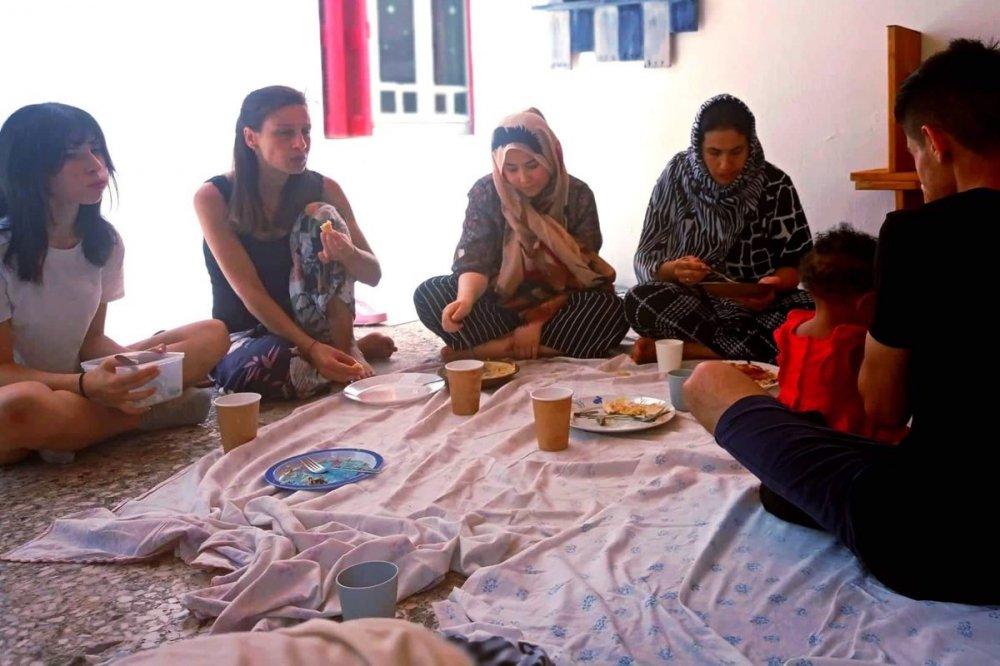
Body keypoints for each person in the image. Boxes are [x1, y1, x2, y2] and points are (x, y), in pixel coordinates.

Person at [684, 38, 1000, 605]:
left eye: (915, 155)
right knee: (798, 482)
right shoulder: (679, 183)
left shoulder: (916, 236)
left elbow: (882, 407)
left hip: (936, 542)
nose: (920, 172)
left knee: (708, 384)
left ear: (934, 141)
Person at [0, 103, 230, 466]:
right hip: (27, 391)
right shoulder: (4, 250)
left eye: (96, 148)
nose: (95, 164)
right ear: (30, 170)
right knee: (21, 406)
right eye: (72, 155)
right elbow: (3, 370)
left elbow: (91, 341)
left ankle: (79, 426)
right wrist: (84, 386)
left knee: (213, 333)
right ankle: (144, 415)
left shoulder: (103, 241)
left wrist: (130, 365)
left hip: (78, 381)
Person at [196, 86, 395, 400]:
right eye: (284, 133)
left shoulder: (325, 188)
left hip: (314, 327)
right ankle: (330, 356)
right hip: (247, 333)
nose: (300, 144)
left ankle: (344, 348)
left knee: (322, 215)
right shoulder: (213, 197)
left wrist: (347, 253)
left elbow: (373, 274)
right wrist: (312, 349)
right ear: (251, 138)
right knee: (261, 367)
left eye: (306, 132)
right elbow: (250, 293)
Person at [413, 108, 627, 361]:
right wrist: (465, 300)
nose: (523, 178)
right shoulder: (487, 192)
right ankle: (538, 347)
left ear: (550, 155)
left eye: (532, 165)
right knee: (429, 293)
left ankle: (492, 349)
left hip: (559, 304)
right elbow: (475, 258)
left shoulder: (577, 195)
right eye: (511, 168)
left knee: (611, 310)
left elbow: (582, 273)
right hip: (499, 300)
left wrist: (535, 322)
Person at [625, 94, 814, 364]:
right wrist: (676, 270)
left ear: (751, 146)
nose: (725, 165)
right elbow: (647, 257)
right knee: (638, 300)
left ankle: (689, 349)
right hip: (696, 302)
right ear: (698, 147)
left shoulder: (776, 185)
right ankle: (761, 348)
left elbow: (798, 265)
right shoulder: (677, 177)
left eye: (736, 152)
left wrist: (772, 285)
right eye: (714, 153)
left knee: (812, 310)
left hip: (759, 306)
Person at [774, 223, 908, 444]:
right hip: (848, 446)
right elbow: (888, 404)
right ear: (868, 303)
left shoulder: (791, 330)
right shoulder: (857, 343)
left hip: (793, 438)